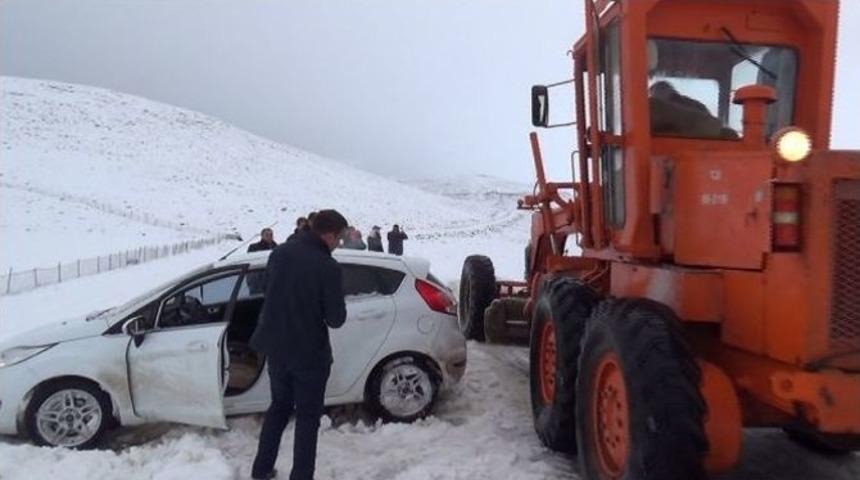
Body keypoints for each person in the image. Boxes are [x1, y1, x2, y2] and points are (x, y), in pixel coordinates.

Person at [249, 209, 349, 480]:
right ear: (329, 235)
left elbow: (267, 290)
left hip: (277, 350)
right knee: (307, 419)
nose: (338, 245)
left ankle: (261, 470)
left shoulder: (279, 253)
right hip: (309, 355)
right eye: (339, 239)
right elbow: (336, 319)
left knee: (279, 407)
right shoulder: (327, 267)